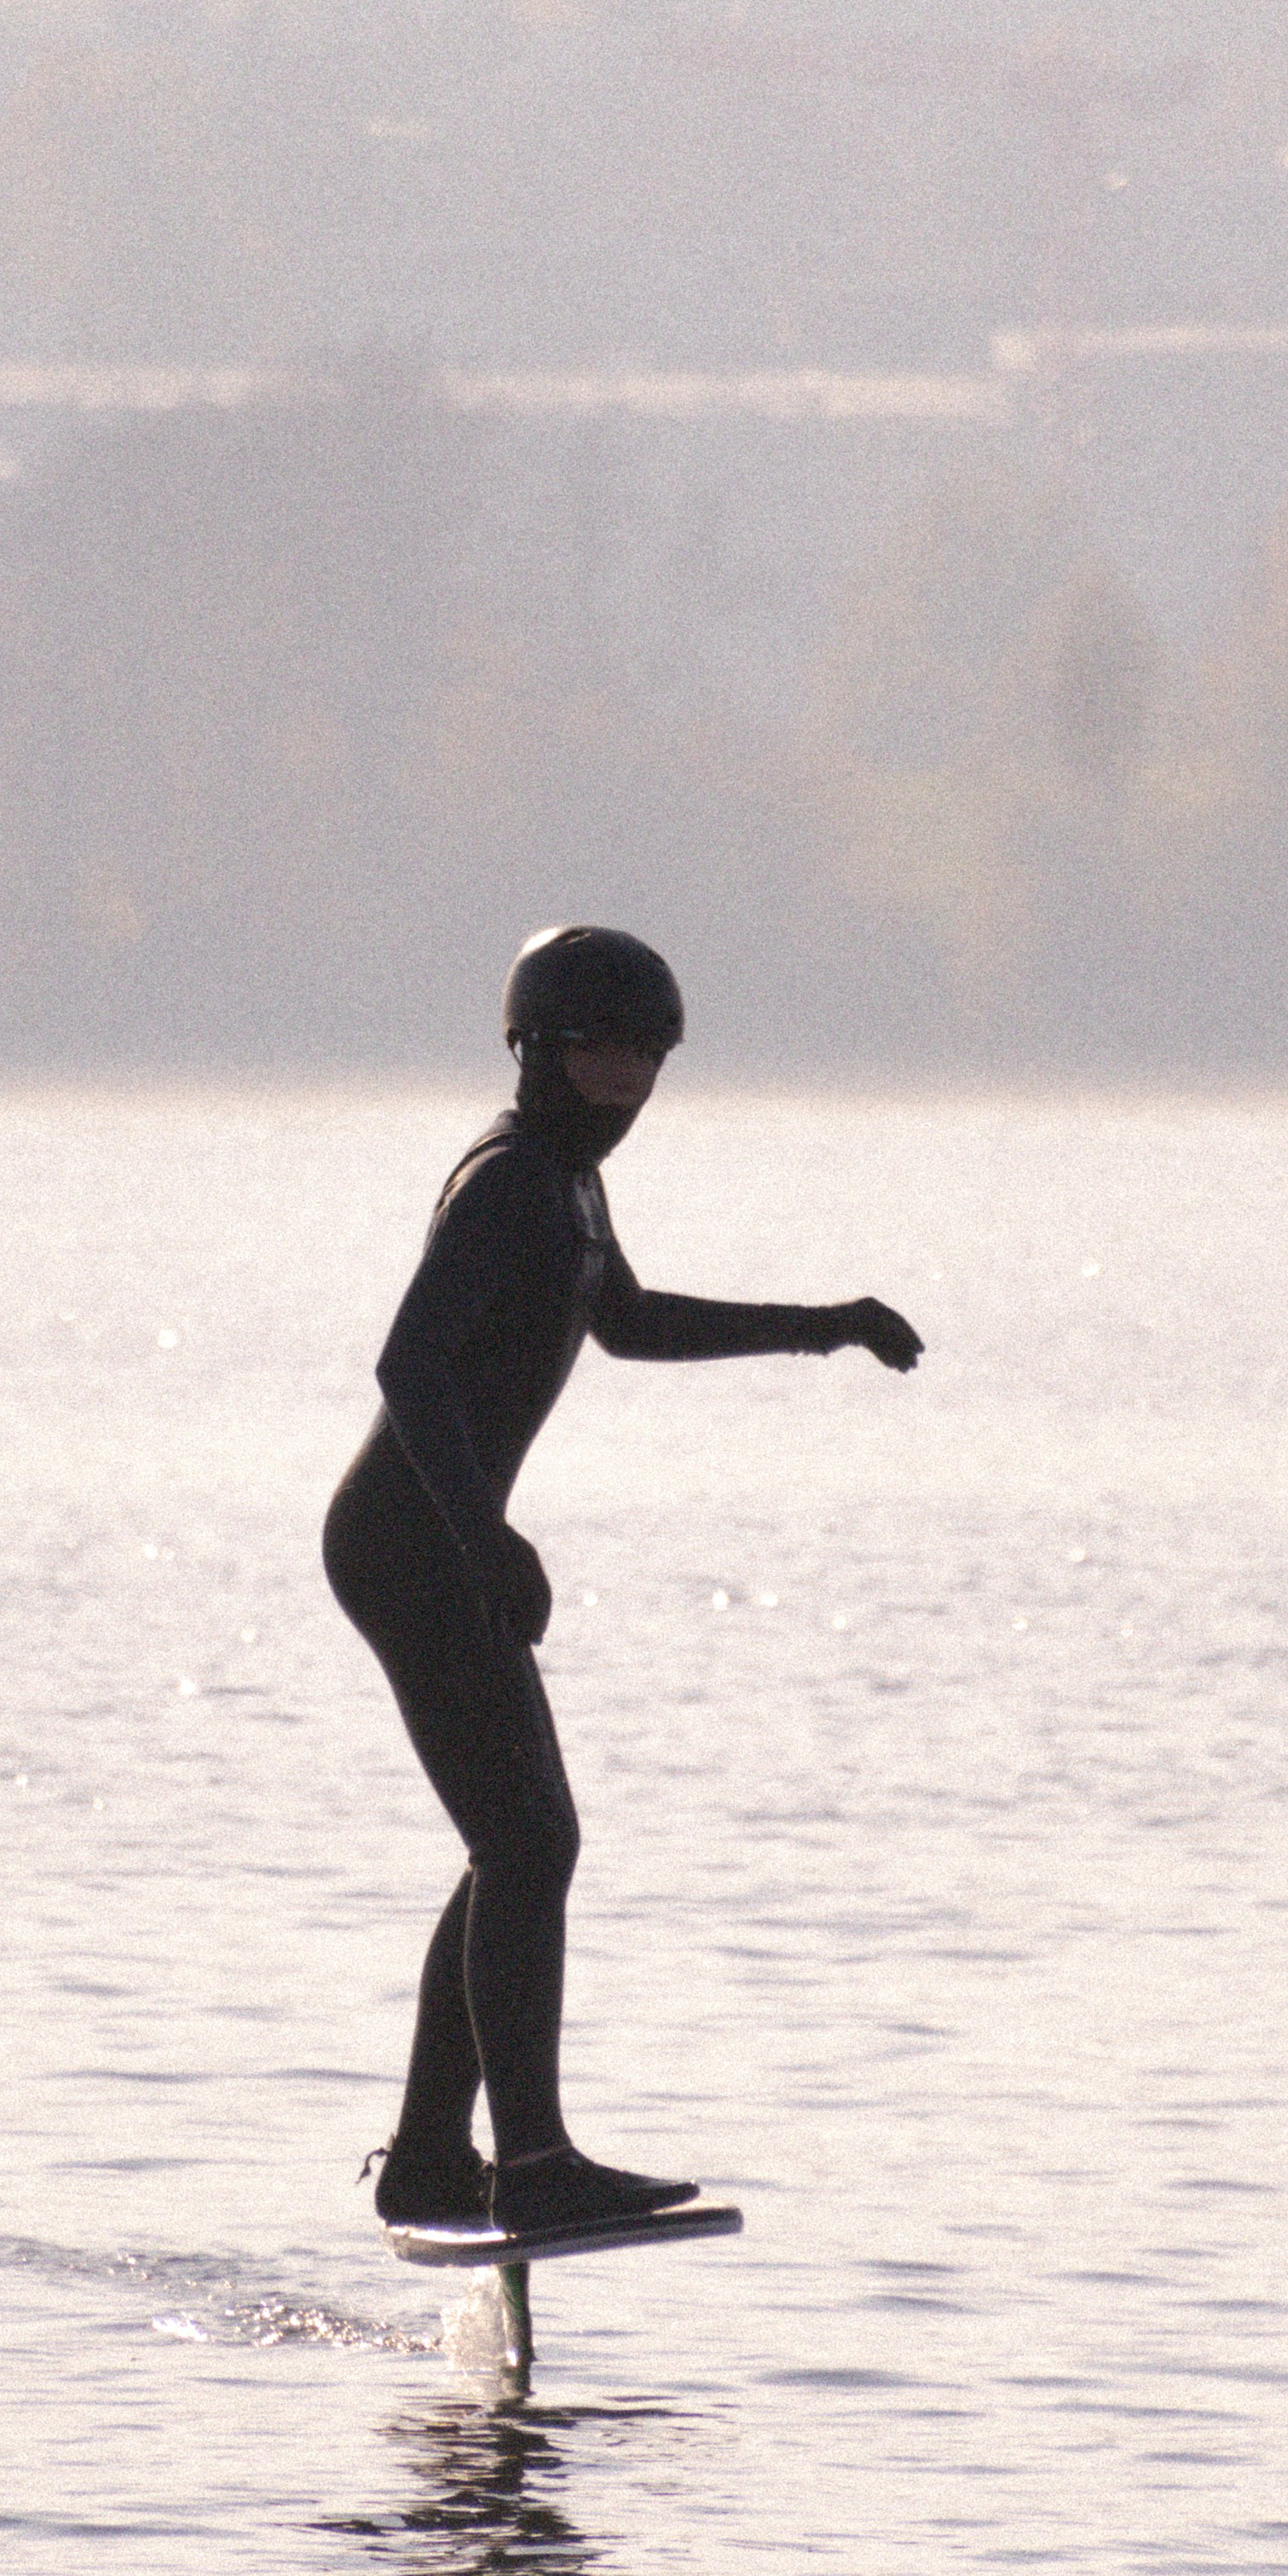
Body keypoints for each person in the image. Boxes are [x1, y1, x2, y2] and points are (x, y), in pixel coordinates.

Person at [324, 922, 923, 2238]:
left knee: (516, 1845)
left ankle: (436, 2159)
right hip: (410, 1536)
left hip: (431, 1532)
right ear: (536, 1052)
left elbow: (629, 1321)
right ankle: (529, 2161)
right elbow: (408, 1368)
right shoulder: (505, 1184)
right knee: (529, 1841)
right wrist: (483, 1534)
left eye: (649, 1064)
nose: (629, 1091)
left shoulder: (565, 1185)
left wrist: (819, 1327)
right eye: (603, 1060)